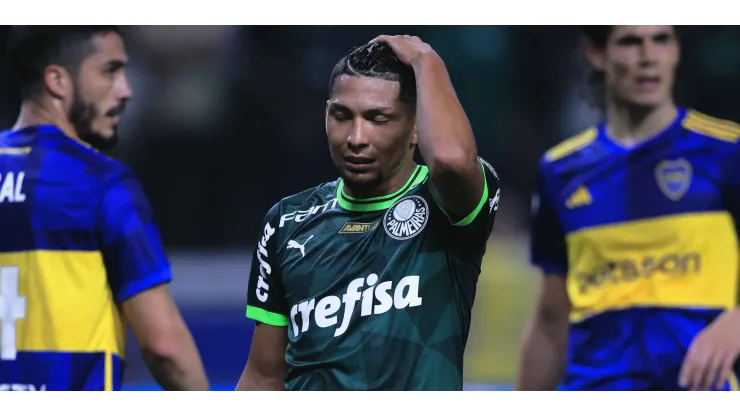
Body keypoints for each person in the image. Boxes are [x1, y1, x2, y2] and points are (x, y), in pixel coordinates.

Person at [236, 35, 500, 391]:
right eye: (342, 116)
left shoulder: (447, 205)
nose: (356, 137)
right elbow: (263, 376)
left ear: (416, 128)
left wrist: (426, 60)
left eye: (378, 118)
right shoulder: (286, 220)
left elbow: (452, 160)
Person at [517, 25, 740, 391]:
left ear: (676, 52)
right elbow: (550, 320)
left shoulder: (727, 150)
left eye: (661, 40)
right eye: (631, 41)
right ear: (597, 54)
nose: (648, 57)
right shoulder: (560, 170)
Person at [0, 26, 209, 391]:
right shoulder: (101, 183)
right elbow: (164, 348)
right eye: (109, 71)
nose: (125, 89)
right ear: (57, 81)